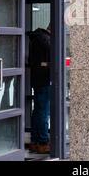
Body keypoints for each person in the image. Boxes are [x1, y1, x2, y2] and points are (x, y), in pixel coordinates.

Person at [28, 25, 51, 154]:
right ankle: (43, 141)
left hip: (37, 80)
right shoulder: (46, 41)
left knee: (38, 110)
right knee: (43, 112)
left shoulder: (36, 38)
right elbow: (52, 59)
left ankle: (35, 140)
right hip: (45, 80)